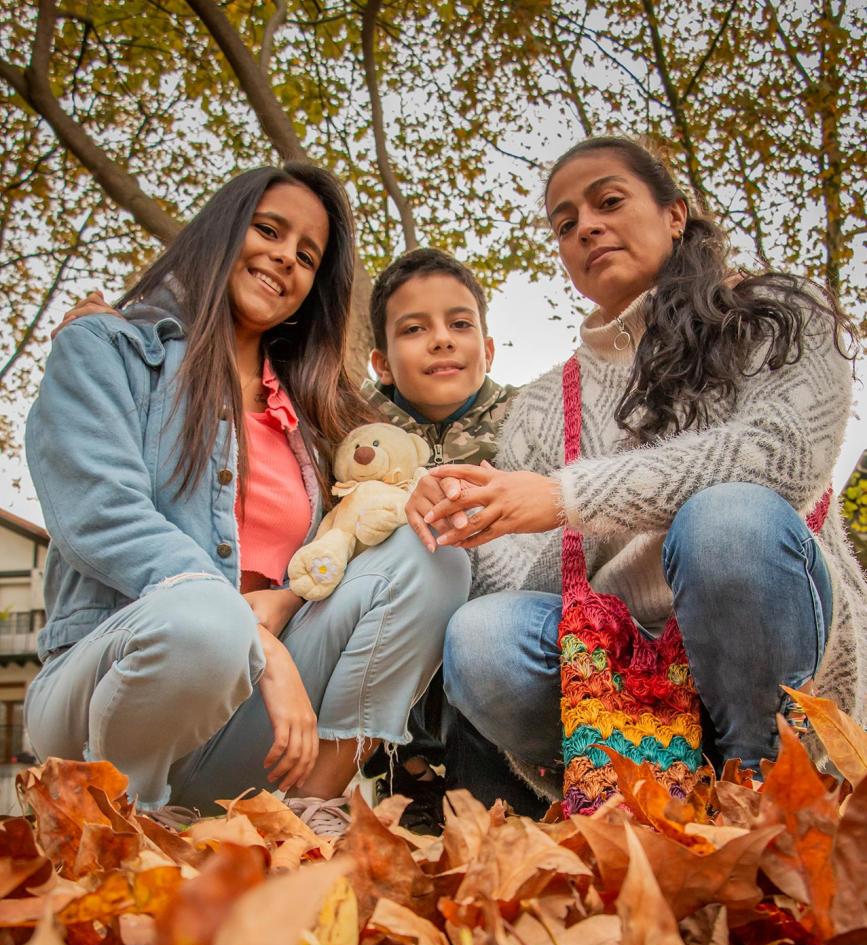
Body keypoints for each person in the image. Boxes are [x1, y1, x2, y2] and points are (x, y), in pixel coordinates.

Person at [406, 135, 866, 808]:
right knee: (480, 633)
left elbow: (782, 458)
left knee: (727, 521)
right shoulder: (539, 405)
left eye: (608, 201)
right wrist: (454, 513)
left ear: (674, 214)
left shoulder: (780, 312)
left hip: (769, 635)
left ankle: (763, 790)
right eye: (564, 224)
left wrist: (567, 497)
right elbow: (530, 574)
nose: (585, 226)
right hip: (613, 668)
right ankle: (623, 799)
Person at [25, 163, 470, 834]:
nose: (284, 258)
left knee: (432, 552)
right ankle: (118, 835)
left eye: (306, 256)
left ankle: (304, 816)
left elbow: (348, 545)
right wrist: (264, 646)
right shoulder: (109, 350)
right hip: (114, 692)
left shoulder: (313, 414)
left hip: (259, 731)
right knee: (206, 623)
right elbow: (98, 513)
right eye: (268, 229)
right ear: (223, 230)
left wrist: (286, 603)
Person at [358, 247, 517, 827]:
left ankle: (485, 784)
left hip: (496, 628)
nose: (441, 340)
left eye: (459, 324)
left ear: (488, 349)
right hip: (398, 613)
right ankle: (410, 770)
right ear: (380, 362)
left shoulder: (527, 419)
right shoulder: (350, 426)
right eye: (414, 329)